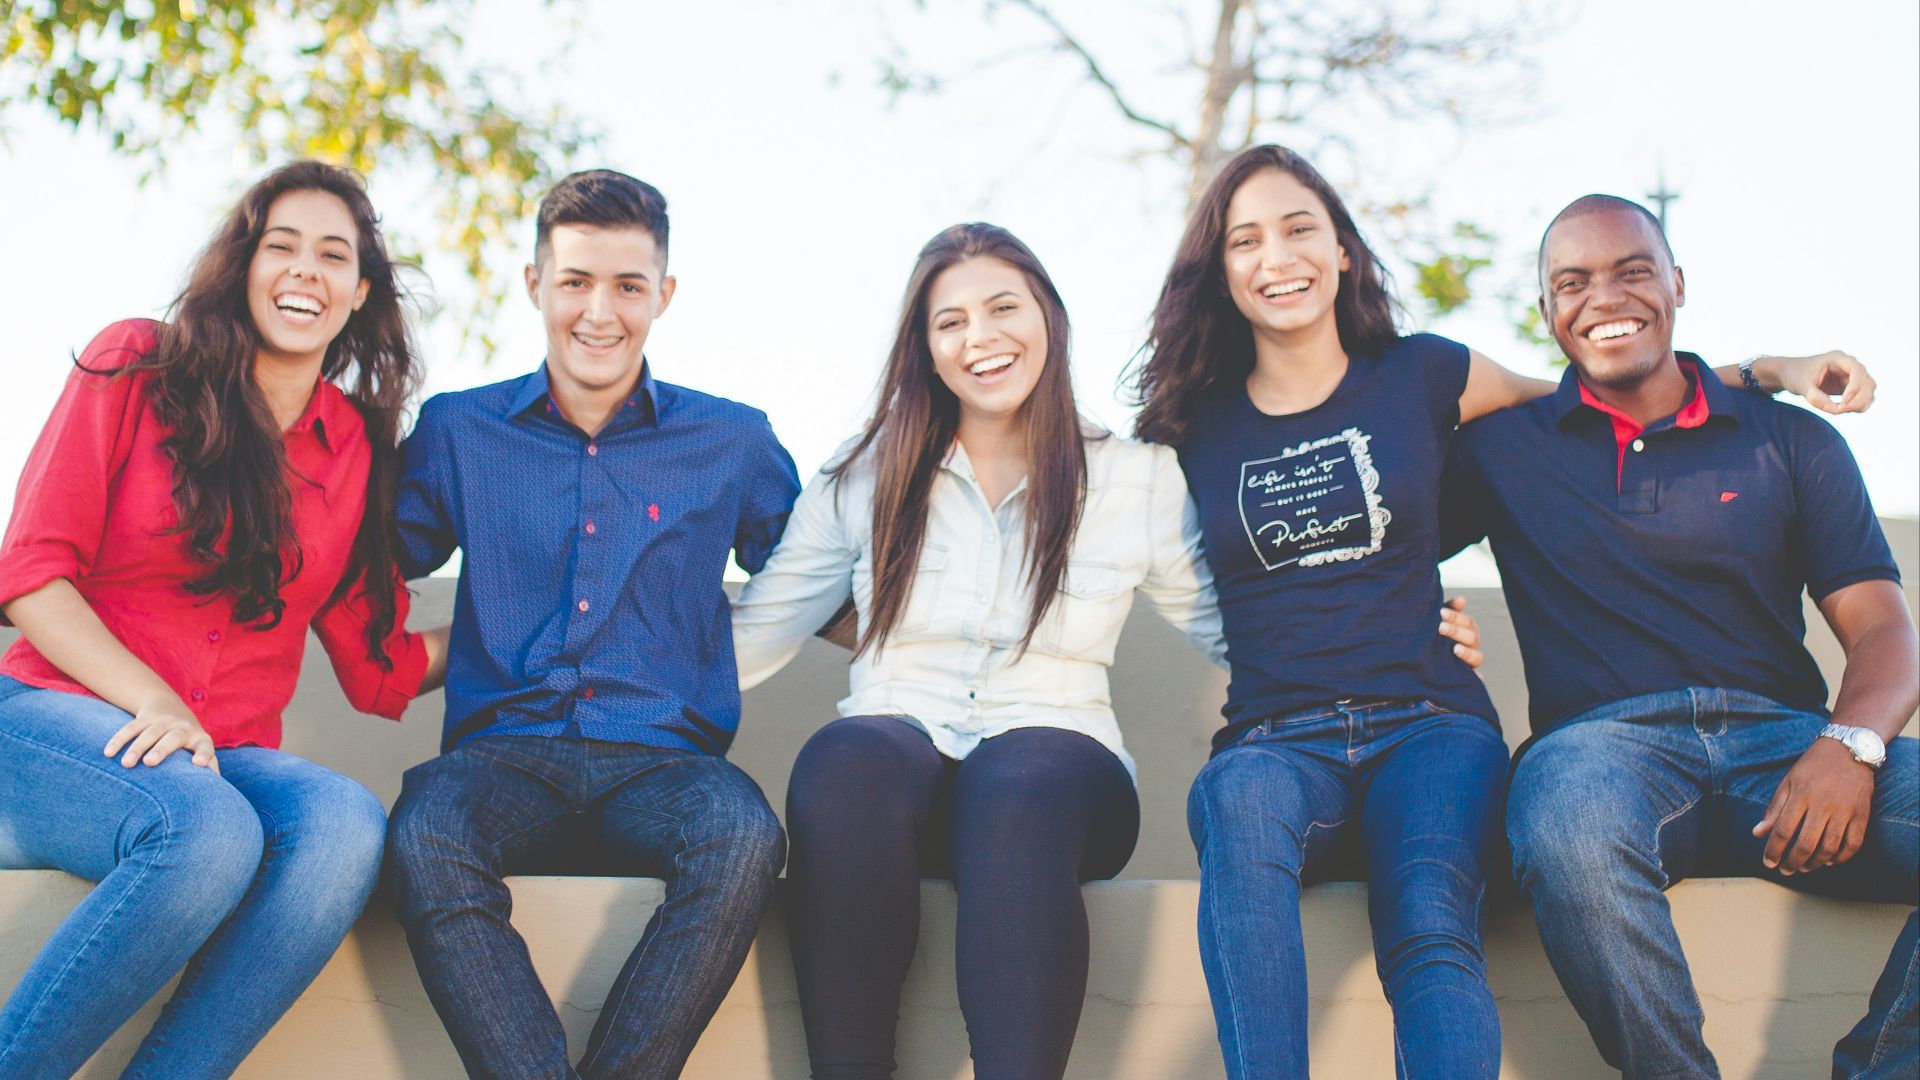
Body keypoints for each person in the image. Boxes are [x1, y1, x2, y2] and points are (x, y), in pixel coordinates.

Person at [1127, 144, 1874, 1080]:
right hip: (1276, 736)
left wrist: (1767, 369)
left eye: (1299, 228)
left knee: (1431, 922)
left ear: (1344, 250)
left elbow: (1604, 391)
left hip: (1431, 722)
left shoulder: (1427, 373)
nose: (1277, 256)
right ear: (1221, 269)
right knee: (1234, 809)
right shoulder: (1190, 427)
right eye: (1247, 240)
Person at [728, 223, 1486, 1080]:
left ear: (1048, 317)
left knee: (1019, 778)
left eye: (1004, 307)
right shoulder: (861, 475)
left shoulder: (1134, 479)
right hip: (894, 761)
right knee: (844, 760)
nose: (982, 338)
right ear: (924, 347)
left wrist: (1404, 631)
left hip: (1058, 775)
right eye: (951, 322)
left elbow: (1246, 627)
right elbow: (757, 630)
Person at [1442, 194, 1917, 1080]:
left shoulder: (1792, 441)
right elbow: (1373, 536)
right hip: (1601, 752)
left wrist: (1849, 746)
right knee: (1568, 831)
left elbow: (1884, 628)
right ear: (1548, 314)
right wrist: (1426, 621)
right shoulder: (1501, 450)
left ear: (1677, 284)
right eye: (1572, 283)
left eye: (1632, 270)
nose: (1603, 297)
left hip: (1787, 746)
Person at [0, 160, 447, 1079]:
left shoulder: (355, 446)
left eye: (333, 256)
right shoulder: (137, 363)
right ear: (243, 267)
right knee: (208, 832)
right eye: (280, 246)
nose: (303, 271)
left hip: (220, 753)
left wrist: (535, 612)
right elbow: (32, 575)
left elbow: (383, 665)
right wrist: (155, 701)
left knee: (344, 826)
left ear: (359, 293)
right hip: (53, 719)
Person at [383, 169, 801, 1080]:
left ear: (665, 294)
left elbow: (820, 580)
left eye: (627, 285)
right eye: (574, 281)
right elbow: (361, 565)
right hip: (504, 758)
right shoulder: (459, 430)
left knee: (743, 840)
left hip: (666, 764)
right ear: (535, 284)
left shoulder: (732, 440)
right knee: (423, 831)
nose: (598, 311)